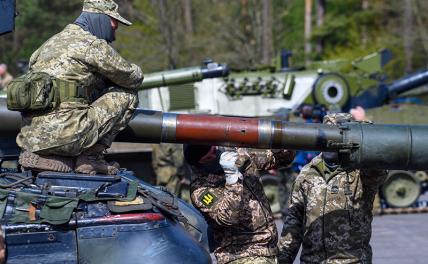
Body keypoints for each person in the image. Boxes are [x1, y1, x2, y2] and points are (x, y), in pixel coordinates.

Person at [16, 0, 143, 175]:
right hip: (68, 136)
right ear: (100, 18)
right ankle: (91, 159)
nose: (116, 27)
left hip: (30, 139)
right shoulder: (91, 45)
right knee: (127, 95)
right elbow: (133, 78)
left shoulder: (46, 46)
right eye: (113, 21)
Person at [277, 113, 387, 264]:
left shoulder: (360, 172)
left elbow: (379, 163)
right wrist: (282, 259)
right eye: (327, 136)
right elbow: (294, 222)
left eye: (337, 136)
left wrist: (363, 126)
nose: (330, 143)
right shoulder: (307, 173)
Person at [185, 145, 295, 264]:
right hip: (240, 255)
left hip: (268, 249)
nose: (215, 156)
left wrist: (279, 145)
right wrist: (232, 179)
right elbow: (228, 217)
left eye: (214, 151)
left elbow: (280, 159)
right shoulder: (200, 189)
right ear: (199, 164)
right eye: (208, 158)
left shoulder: (237, 155)